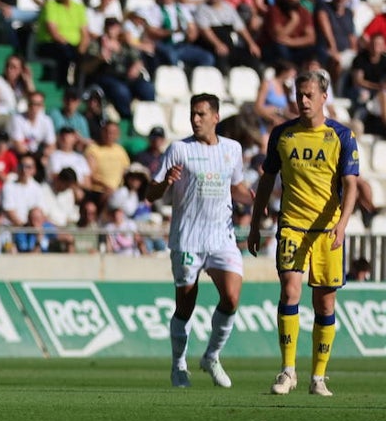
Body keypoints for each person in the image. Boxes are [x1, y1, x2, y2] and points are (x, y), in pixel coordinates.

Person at [248, 69, 360, 398]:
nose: (304, 100)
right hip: (292, 225)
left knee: (324, 305)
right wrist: (256, 222)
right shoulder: (282, 134)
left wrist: (342, 224)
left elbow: (351, 185)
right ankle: (287, 371)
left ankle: (319, 377)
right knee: (289, 290)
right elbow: (267, 178)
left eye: (310, 94)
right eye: (299, 95)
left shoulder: (341, 135)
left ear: (325, 97)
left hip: (327, 231)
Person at [145, 95, 252, 389]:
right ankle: (179, 365)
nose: (196, 119)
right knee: (185, 306)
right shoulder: (179, 149)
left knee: (231, 298)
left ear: (215, 117)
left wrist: (257, 200)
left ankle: (211, 356)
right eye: (193, 114)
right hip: (188, 239)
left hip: (222, 237)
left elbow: (237, 187)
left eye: (201, 114)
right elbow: (150, 193)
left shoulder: (232, 149)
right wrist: (165, 182)